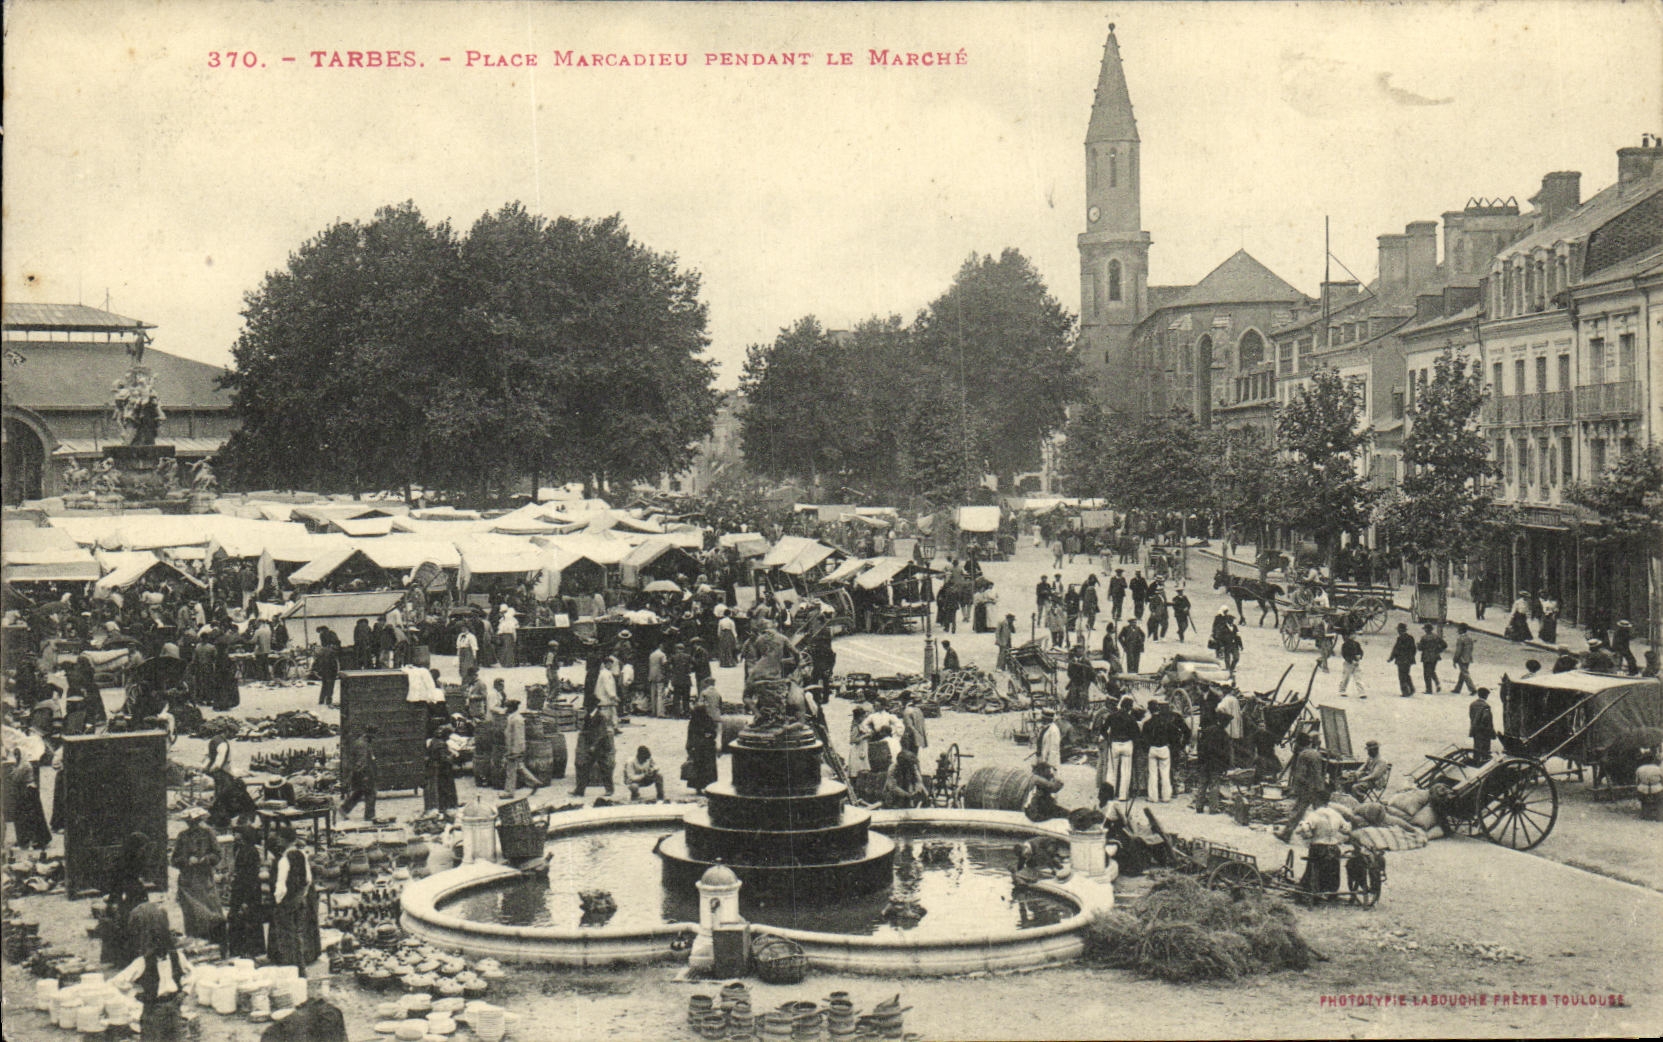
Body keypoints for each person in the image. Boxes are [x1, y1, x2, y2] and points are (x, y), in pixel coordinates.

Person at [111, 901, 195, 1042]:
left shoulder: (176, 957)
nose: (159, 946)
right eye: (155, 942)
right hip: (153, 1011)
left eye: (162, 941)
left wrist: (185, 992)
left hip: (174, 1007)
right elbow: (117, 982)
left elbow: (192, 973)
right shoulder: (143, 962)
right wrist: (136, 997)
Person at [171, 807, 226, 951]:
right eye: (190, 822)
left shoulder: (208, 834)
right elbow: (174, 859)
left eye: (195, 822)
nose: (192, 825)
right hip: (188, 883)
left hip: (204, 881)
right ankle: (196, 948)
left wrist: (204, 860)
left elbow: (218, 855)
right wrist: (186, 861)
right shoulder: (182, 836)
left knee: (211, 914)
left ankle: (215, 946)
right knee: (192, 917)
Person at [268, 832, 321, 971]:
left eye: (281, 839)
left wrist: (278, 901)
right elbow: (308, 879)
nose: (279, 842)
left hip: (288, 902)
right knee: (299, 933)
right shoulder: (302, 855)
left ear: (285, 841)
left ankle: (290, 965)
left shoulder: (284, 860)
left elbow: (281, 885)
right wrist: (302, 894)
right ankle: (300, 965)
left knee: (286, 935)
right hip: (301, 899)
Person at [1293, 790, 1349, 899]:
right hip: (1334, 848)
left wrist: (1306, 834)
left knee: (1313, 865)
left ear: (1316, 801)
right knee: (1333, 869)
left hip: (1319, 849)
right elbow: (1346, 829)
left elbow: (1304, 829)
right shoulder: (1336, 814)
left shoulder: (1314, 815)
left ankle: (1312, 888)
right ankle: (1330, 891)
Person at [1277, 733, 1328, 843]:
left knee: (1297, 812)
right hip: (1318, 788)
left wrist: (1296, 789)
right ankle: (1324, 837)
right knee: (1320, 813)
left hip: (1307, 789)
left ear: (1299, 744)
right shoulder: (1316, 754)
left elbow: (1300, 775)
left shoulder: (1303, 755)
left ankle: (1286, 834)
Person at [226, 825, 268, 958]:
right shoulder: (241, 849)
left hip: (246, 890)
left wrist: (245, 899)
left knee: (245, 919)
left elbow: (249, 877)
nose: (235, 836)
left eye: (237, 834)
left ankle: (246, 950)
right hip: (242, 888)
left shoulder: (249, 852)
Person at [1141, 699, 1190, 804]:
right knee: (1166, 773)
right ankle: (1167, 796)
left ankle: (1153, 797)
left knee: (1153, 774)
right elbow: (1181, 733)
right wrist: (1178, 745)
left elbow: (1143, 739)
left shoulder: (1148, 723)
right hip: (1166, 748)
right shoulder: (1171, 719)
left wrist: (1147, 748)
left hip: (1153, 748)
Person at [1099, 697, 1140, 804]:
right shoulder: (1131, 718)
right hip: (1127, 744)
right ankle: (1123, 795)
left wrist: (1108, 738)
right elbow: (1136, 735)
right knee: (1126, 771)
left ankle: (1110, 794)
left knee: (1111, 771)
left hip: (1114, 744)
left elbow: (1102, 730)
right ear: (1129, 707)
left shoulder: (1112, 716)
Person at [569, 706, 616, 798]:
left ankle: (609, 789)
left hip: (601, 746)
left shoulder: (600, 716)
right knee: (585, 767)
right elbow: (587, 730)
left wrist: (594, 745)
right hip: (593, 746)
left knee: (604, 768)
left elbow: (602, 733)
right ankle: (580, 790)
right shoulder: (589, 715)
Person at [501, 699, 544, 797]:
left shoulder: (516, 719)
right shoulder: (513, 718)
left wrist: (513, 751)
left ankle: (509, 792)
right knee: (519, 767)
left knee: (510, 770)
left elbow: (518, 736)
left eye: (508, 707)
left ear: (512, 708)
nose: (506, 709)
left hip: (515, 748)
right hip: (514, 748)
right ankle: (534, 782)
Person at [1192, 712, 1232, 814]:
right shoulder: (1224, 735)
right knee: (1214, 785)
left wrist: (1200, 760)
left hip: (1204, 762)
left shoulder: (1207, 730)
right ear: (1225, 723)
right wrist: (1226, 766)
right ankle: (1213, 808)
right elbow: (1226, 753)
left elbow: (1199, 746)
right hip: (1216, 763)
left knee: (1202, 783)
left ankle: (1199, 806)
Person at [338, 725, 379, 822]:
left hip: (363, 772)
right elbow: (361, 761)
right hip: (364, 773)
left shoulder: (364, 742)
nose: (374, 738)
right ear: (370, 734)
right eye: (373, 736)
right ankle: (369, 815)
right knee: (371, 792)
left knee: (359, 792)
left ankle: (344, 809)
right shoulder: (362, 744)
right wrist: (364, 775)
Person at [682, 700, 720, 795]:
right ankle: (707, 786)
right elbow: (714, 732)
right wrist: (709, 735)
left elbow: (690, 735)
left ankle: (698, 787)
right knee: (707, 769)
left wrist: (689, 747)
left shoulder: (693, 721)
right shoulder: (708, 719)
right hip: (707, 748)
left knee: (699, 769)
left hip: (699, 748)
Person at [423, 725, 459, 812]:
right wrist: (452, 756)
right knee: (445, 789)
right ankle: (447, 807)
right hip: (442, 770)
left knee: (438, 789)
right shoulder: (441, 744)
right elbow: (444, 759)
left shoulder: (433, 741)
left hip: (434, 769)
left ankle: (440, 807)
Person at [1388, 622, 1418, 697]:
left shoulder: (1400, 638)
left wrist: (1391, 658)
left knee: (1402, 676)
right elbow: (1414, 649)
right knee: (1407, 674)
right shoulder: (1411, 638)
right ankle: (1411, 688)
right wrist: (1411, 657)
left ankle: (1405, 692)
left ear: (1400, 630)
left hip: (1401, 660)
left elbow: (1396, 650)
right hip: (1409, 660)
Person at [314, 628, 340, 708]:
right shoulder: (332, 651)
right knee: (330, 684)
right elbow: (335, 663)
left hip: (323, 669)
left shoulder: (321, 651)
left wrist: (317, 670)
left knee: (324, 684)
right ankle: (328, 700)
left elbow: (317, 662)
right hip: (331, 669)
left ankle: (321, 700)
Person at [1418, 624, 1448, 694]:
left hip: (1426, 657)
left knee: (1426, 673)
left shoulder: (1424, 638)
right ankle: (1437, 683)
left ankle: (1429, 689)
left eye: (1425, 629)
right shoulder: (1436, 637)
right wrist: (1438, 650)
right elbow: (1445, 645)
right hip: (1435, 656)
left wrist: (1418, 645)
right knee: (1432, 671)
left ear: (1426, 630)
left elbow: (1420, 648)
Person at [1469, 686, 1496, 759]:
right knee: (1485, 750)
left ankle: (1475, 762)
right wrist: (1491, 731)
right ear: (1486, 695)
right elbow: (1487, 719)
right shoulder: (1486, 706)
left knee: (1476, 748)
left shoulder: (1472, 704)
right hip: (1484, 731)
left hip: (1475, 729)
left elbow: (1471, 716)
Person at [899, 691, 929, 755]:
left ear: (904, 700)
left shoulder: (907, 711)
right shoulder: (918, 710)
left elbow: (908, 727)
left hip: (910, 739)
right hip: (918, 738)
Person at [495, 604, 518, 668]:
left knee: (507, 650)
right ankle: (506, 663)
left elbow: (511, 628)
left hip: (507, 635)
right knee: (506, 650)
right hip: (506, 635)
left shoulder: (508, 619)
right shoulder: (504, 619)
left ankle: (508, 663)